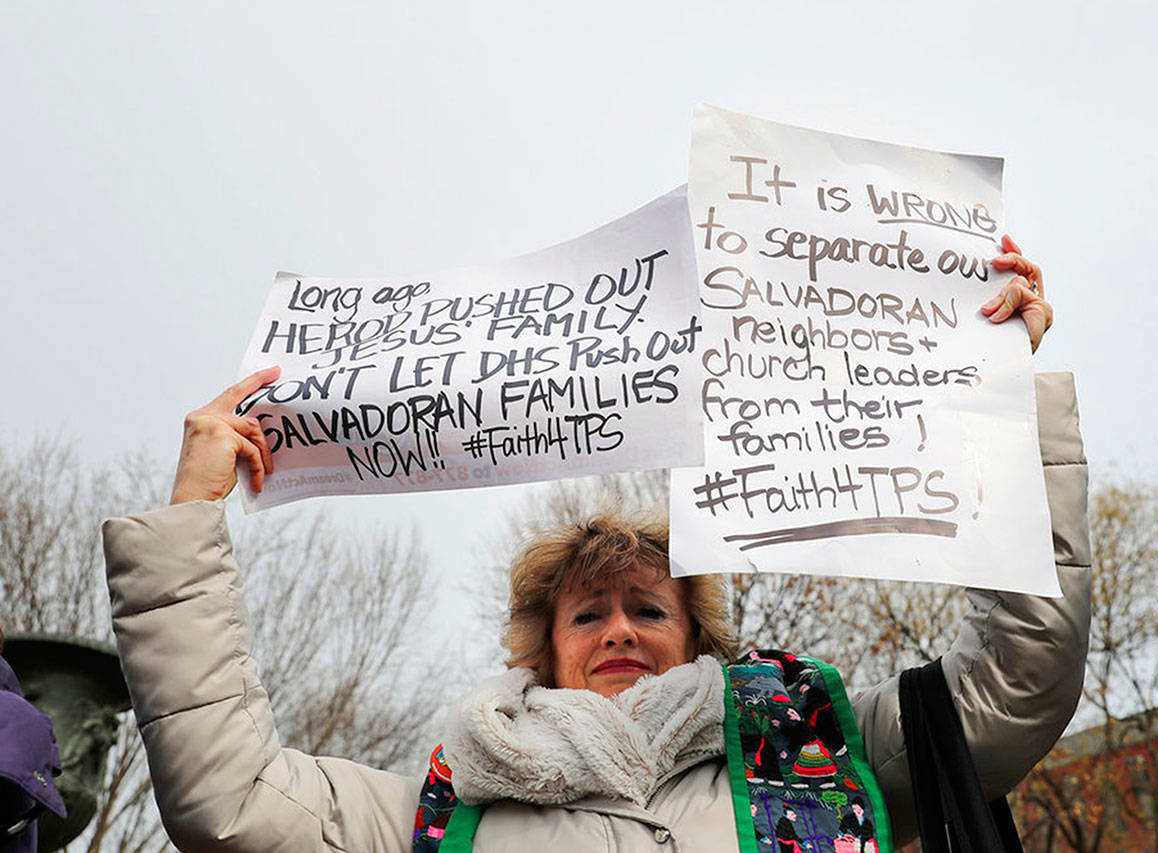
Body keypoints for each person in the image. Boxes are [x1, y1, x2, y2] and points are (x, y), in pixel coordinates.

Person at [102, 237, 1088, 851]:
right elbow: (226, 799)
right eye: (587, 611)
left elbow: (1016, 686)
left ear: (697, 637)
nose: (618, 628)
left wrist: (1000, 403)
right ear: (544, 650)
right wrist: (192, 514)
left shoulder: (820, 744)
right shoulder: (436, 815)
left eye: (648, 607)